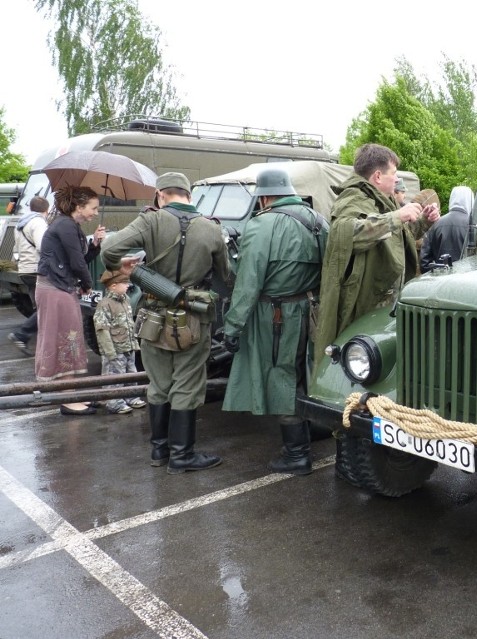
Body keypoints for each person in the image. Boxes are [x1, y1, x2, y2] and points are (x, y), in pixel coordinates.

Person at [101, 172, 230, 474]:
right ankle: (182, 455)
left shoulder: (150, 221)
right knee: (187, 382)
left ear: (160, 195)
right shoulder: (211, 229)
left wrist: (122, 266)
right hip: (193, 318)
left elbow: (109, 250)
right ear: (189, 195)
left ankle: (159, 451)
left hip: (153, 317)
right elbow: (226, 275)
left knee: (158, 383)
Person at [221, 167, 328, 475]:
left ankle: (297, 454)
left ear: (265, 197)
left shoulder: (262, 225)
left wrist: (232, 326)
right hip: (311, 310)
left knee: (282, 379)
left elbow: (248, 282)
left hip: (277, 316)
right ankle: (310, 433)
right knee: (303, 374)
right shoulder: (318, 220)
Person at [313, 143, 439, 364]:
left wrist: (424, 221)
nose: (397, 180)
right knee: (360, 360)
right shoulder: (354, 198)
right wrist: (397, 217)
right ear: (378, 176)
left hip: (384, 301)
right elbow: (347, 233)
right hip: (365, 305)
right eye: (394, 174)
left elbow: (399, 236)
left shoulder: (384, 201)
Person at [34, 186, 106, 415]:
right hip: (55, 290)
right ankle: (67, 399)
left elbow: (79, 260)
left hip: (58, 288)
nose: (95, 213)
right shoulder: (65, 225)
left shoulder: (67, 225)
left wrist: (94, 244)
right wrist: (87, 284)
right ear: (79, 206)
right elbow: (77, 263)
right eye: (93, 208)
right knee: (66, 341)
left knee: (67, 340)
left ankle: (69, 394)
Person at [93, 269, 147, 415]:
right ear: (113, 285)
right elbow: (102, 330)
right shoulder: (105, 304)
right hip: (115, 349)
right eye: (124, 283)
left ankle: (131, 397)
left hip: (127, 346)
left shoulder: (126, 300)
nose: (128, 286)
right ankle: (115, 402)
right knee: (114, 377)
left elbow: (130, 323)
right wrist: (109, 352)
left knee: (131, 373)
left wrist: (134, 343)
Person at [8, 196, 50, 356]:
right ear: (46, 210)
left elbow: (16, 248)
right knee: (46, 307)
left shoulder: (21, 223)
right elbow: (43, 246)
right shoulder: (38, 222)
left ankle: (29, 337)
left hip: (25, 269)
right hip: (36, 269)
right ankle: (21, 335)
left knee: (40, 307)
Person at [420, 185, 474, 272]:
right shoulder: (474, 226)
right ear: (470, 201)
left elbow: (425, 262)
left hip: (442, 280)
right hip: (466, 279)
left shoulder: (436, 224)